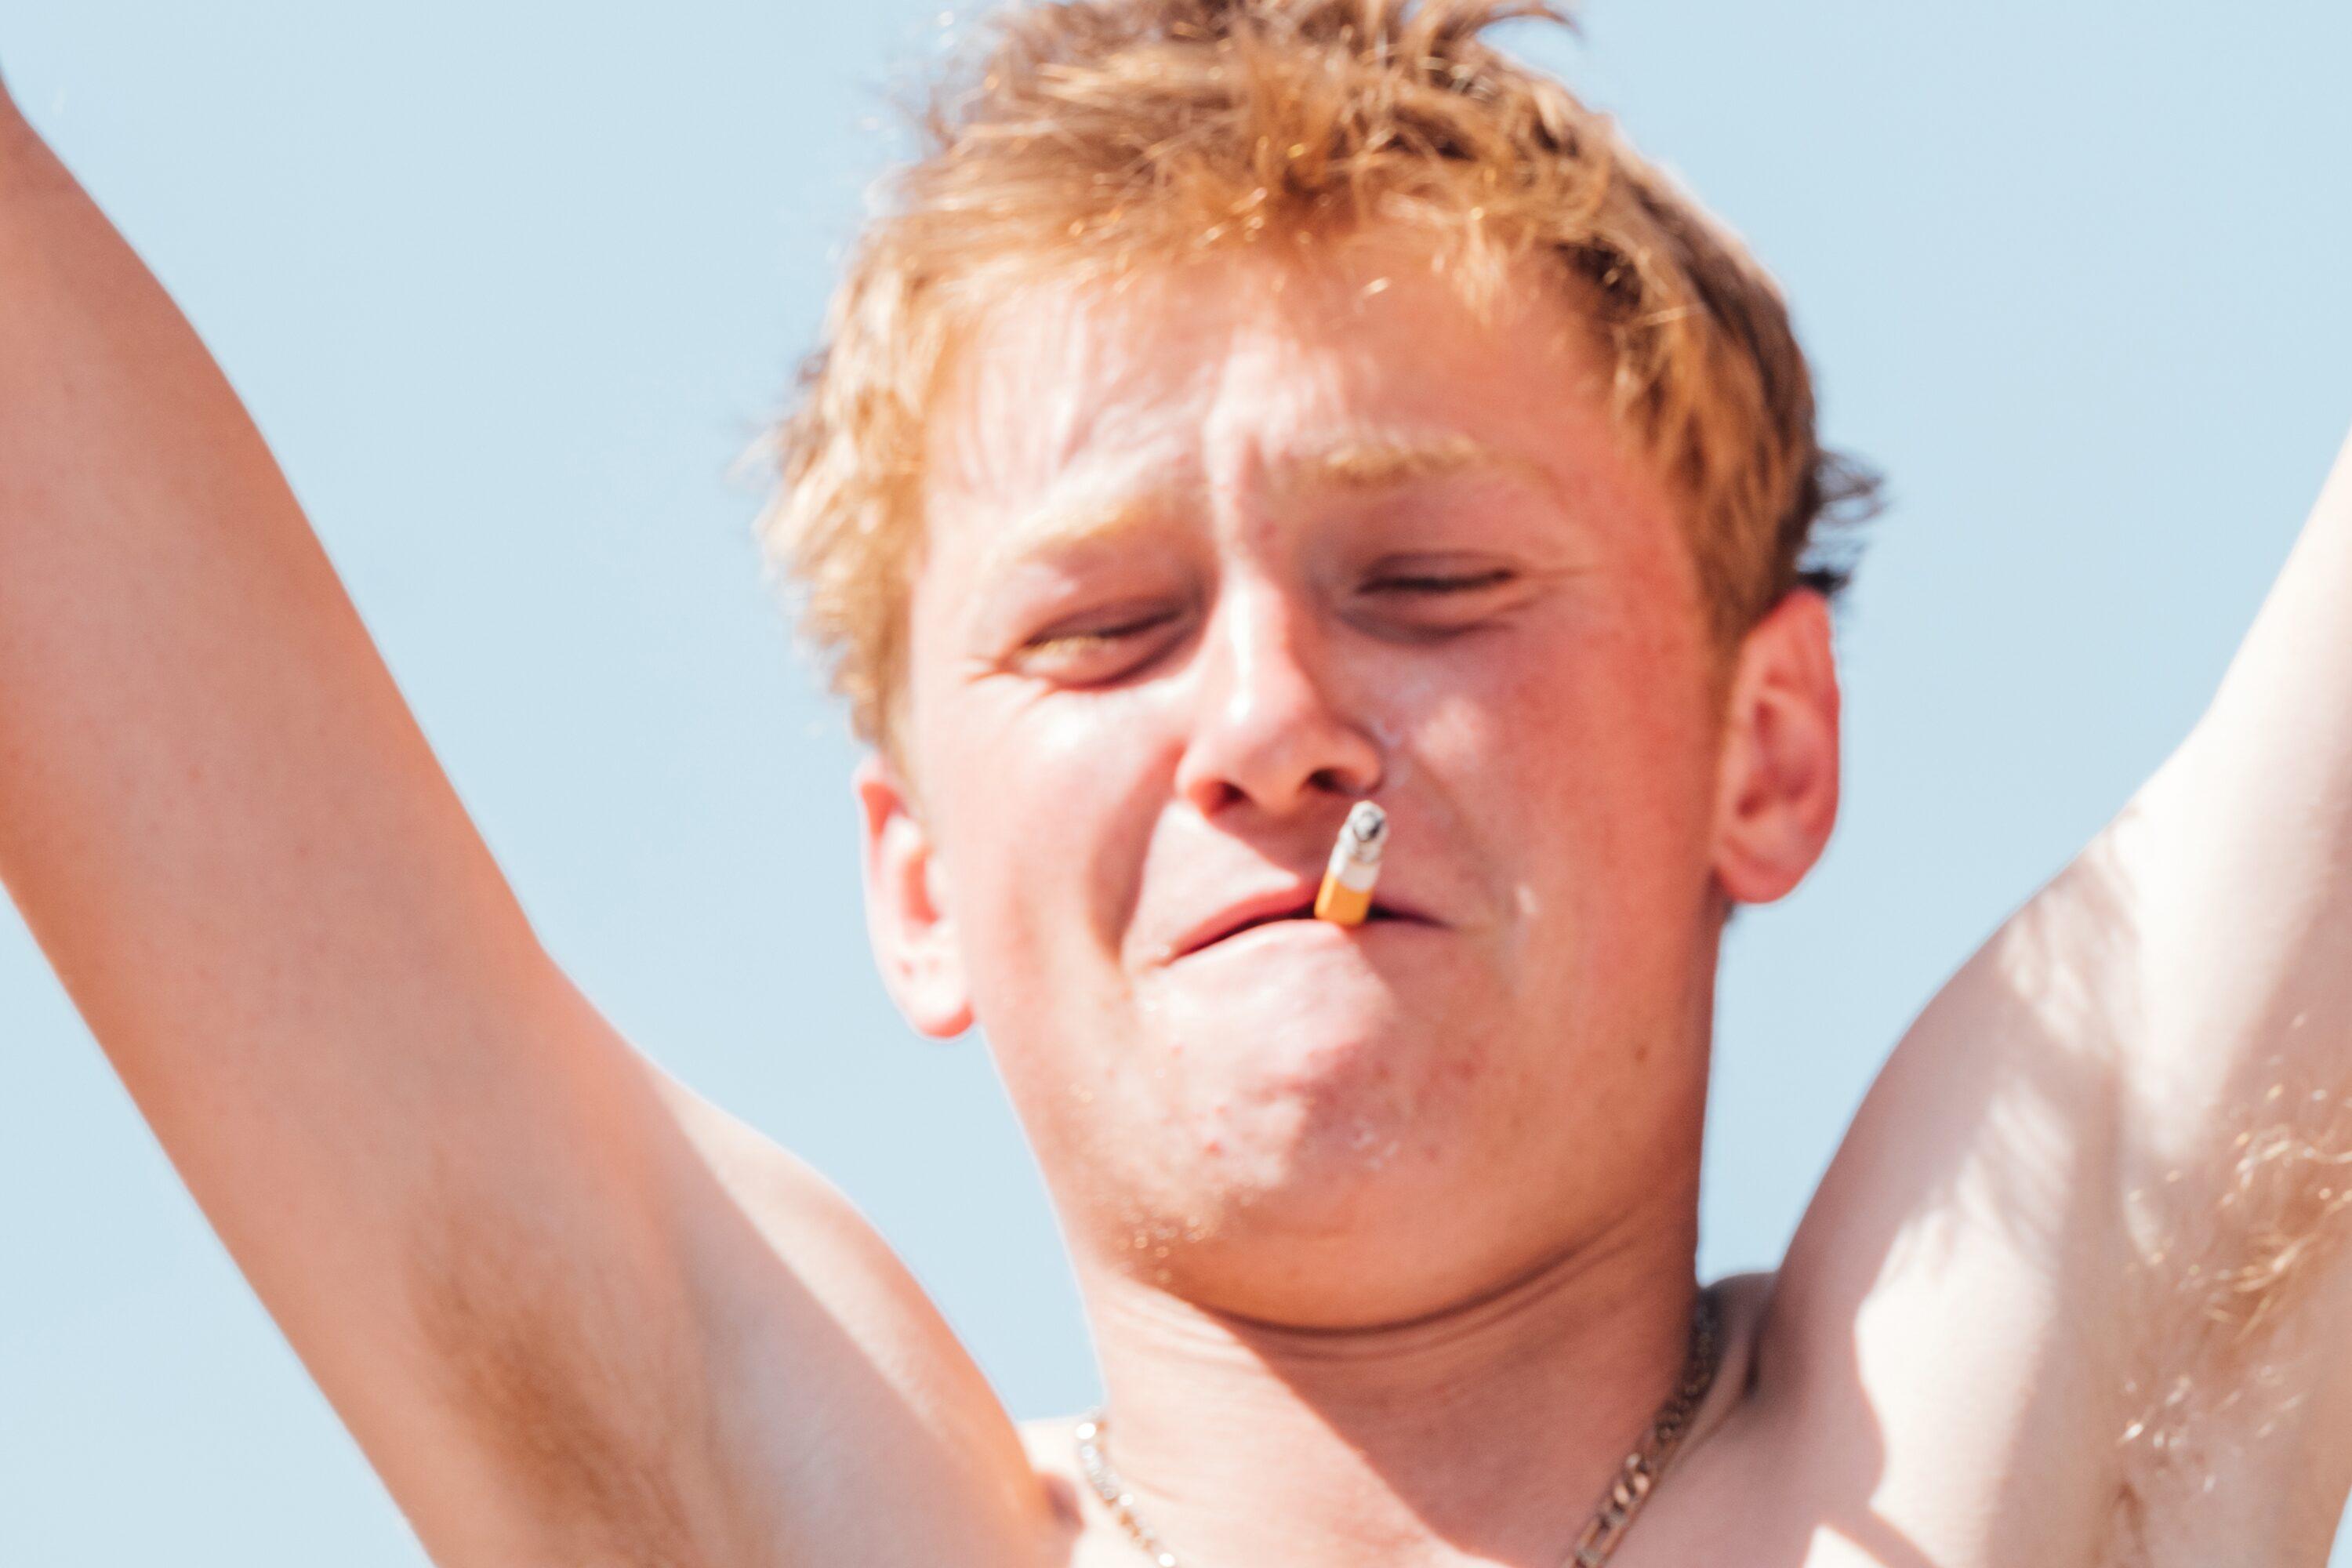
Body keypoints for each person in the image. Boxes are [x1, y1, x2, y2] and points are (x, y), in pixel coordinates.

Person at [3, 2, 2349, 1564]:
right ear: (913, 881)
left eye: (1428, 576)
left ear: (1769, 746)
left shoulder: (2008, 1447)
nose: (1268, 721)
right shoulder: (760, 1501)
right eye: (1099, 629)